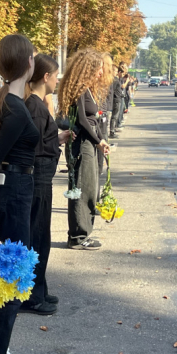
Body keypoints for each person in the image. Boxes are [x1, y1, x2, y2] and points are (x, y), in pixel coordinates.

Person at [0, 34, 38, 354]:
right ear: (28, 62)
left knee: (7, 274)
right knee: (12, 276)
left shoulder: (6, 100)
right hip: (13, 194)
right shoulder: (15, 109)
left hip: (14, 192)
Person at [20, 54, 69, 316]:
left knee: (41, 238)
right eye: (56, 75)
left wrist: (57, 139)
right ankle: (33, 296)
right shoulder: (36, 107)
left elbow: (41, 143)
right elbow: (37, 150)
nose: (58, 80)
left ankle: (39, 288)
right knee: (37, 238)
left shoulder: (37, 105)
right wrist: (55, 141)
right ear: (46, 77)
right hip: (38, 180)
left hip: (40, 179)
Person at [58, 48, 110, 250]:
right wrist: (99, 141)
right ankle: (79, 236)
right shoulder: (80, 88)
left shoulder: (87, 88)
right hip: (82, 144)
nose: (100, 73)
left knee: (87, 188)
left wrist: (99, 140)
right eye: (98, 69)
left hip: (89, 143)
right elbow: (83, 121)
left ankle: (82, 233)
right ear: (87, 69)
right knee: (83, 189)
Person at [109, 64, 123, 138]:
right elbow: (112, 90)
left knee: (115, 116)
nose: (116, 73)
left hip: (117, 99)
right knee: (114, 116)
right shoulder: (114, 80)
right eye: (116, 71)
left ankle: (112, 130)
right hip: (116, 100)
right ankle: (112, 131)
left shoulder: (115, 79)